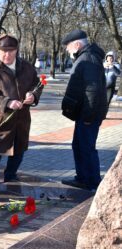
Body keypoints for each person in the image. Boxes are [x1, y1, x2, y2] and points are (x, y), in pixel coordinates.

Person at [0, 34, 42, 193]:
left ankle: (11, 177)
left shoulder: (26, 67)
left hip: (21, 119)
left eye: (11, 51)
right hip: (0, 120)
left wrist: (33, 95)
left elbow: (37, 84)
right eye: (3, 52)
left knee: (19, 151)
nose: (7, 55)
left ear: (16, 51)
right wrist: (7, 102)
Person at [60, 30, 108, 191]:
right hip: (84, 113)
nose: (67, 50)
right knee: (79, 146)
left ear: (77, 44)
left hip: (88, 115)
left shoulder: (88, 58)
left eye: (68, 47)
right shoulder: (87, 56)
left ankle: (92, 182)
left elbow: (93, 91)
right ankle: (82, 178)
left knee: (86, 147)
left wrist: (88, 116)